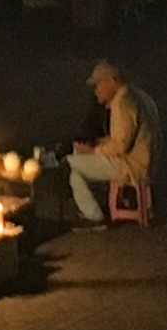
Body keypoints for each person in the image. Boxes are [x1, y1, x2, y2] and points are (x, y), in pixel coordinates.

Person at [65, 59, 158, 223]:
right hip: (143, 159)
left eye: (99, 85)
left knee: (69, 164)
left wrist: (94, 151)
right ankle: (93, 212)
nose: (96, 91)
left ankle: (94, 217)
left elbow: (121, 145)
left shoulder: (123, 104)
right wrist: (100, 143)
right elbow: (125, 136)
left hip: (132, 165)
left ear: (112, 81)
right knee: (76, 165)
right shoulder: (137, 95)